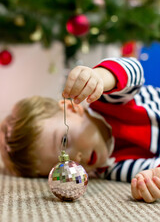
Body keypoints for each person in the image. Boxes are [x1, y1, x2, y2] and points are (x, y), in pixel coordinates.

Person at [1, 57, 160, 203]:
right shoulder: (109, 169)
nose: (74, 161)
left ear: (71, 108)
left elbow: (134, 71)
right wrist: (150, 180)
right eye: (60, 167)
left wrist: (99, 77)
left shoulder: (106, 101)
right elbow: (152, 168)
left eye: (64, 141)